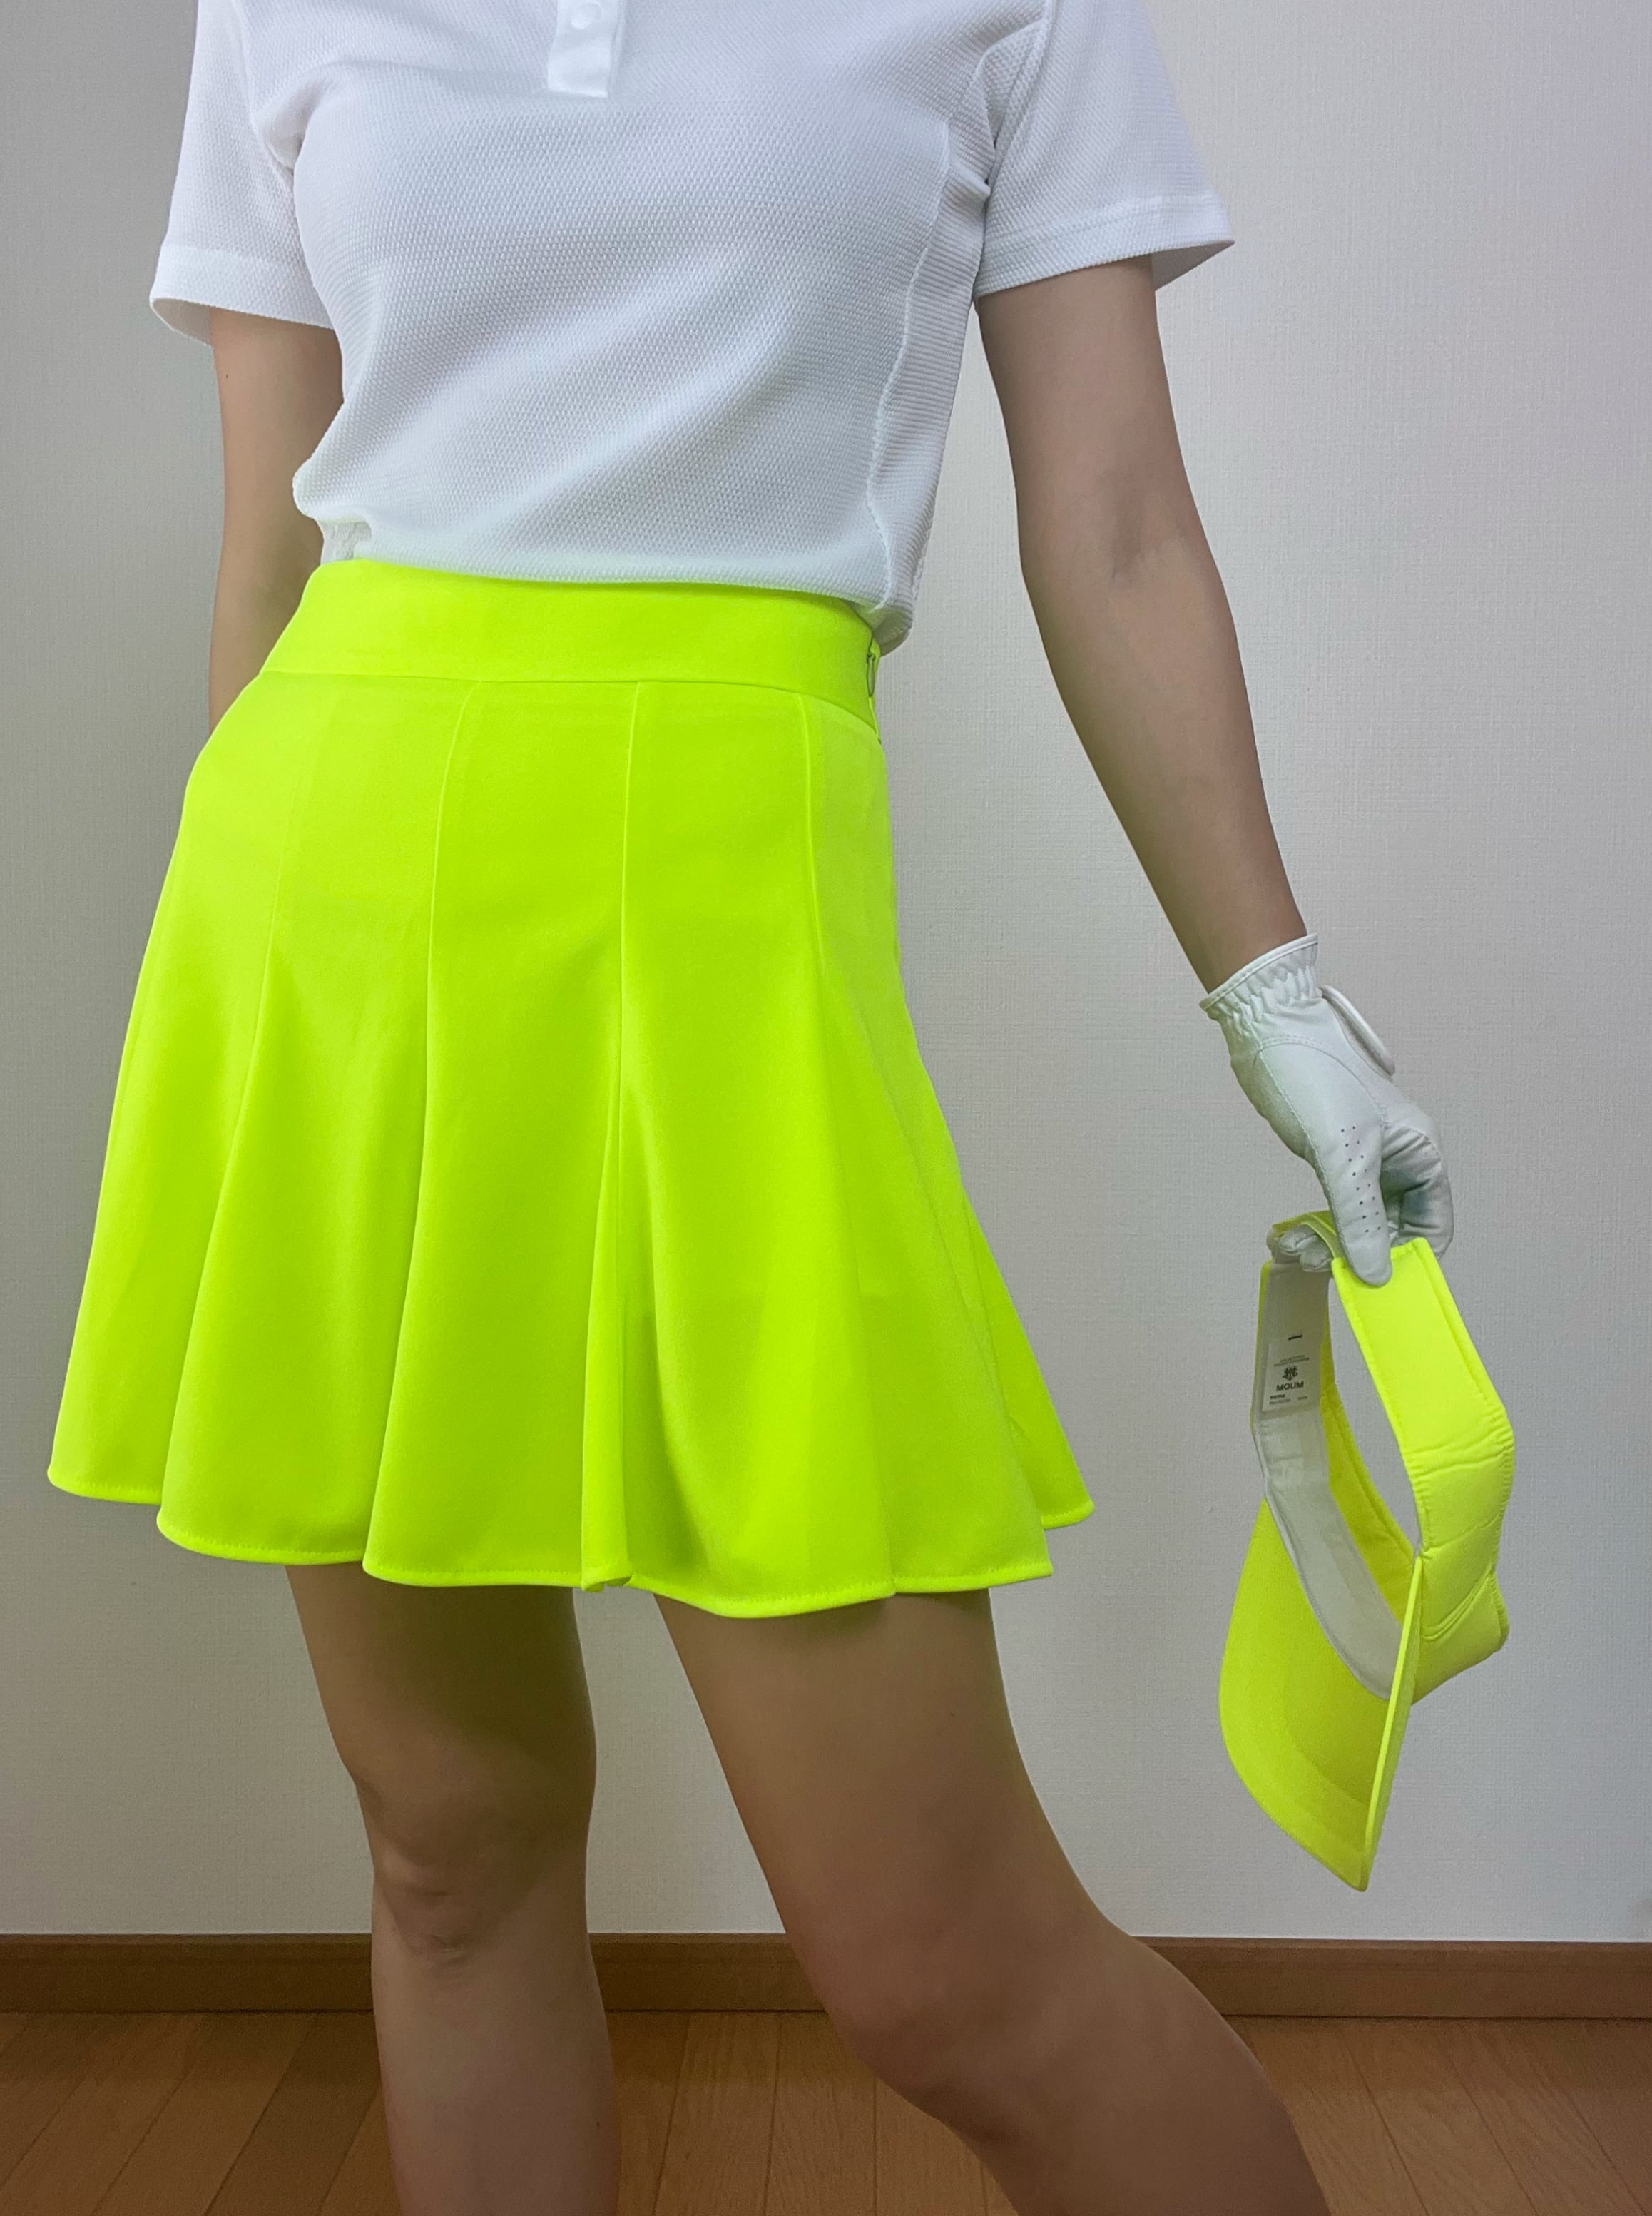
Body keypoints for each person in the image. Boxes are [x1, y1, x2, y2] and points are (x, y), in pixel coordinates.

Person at [49, 0, 1453, 2210]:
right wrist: (229, 1026)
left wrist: (1273, 993)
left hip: (724, 914)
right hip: (326, 914)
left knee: (936, 1966)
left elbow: (1112, 530)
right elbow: (273, 546)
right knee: (447, 1848)